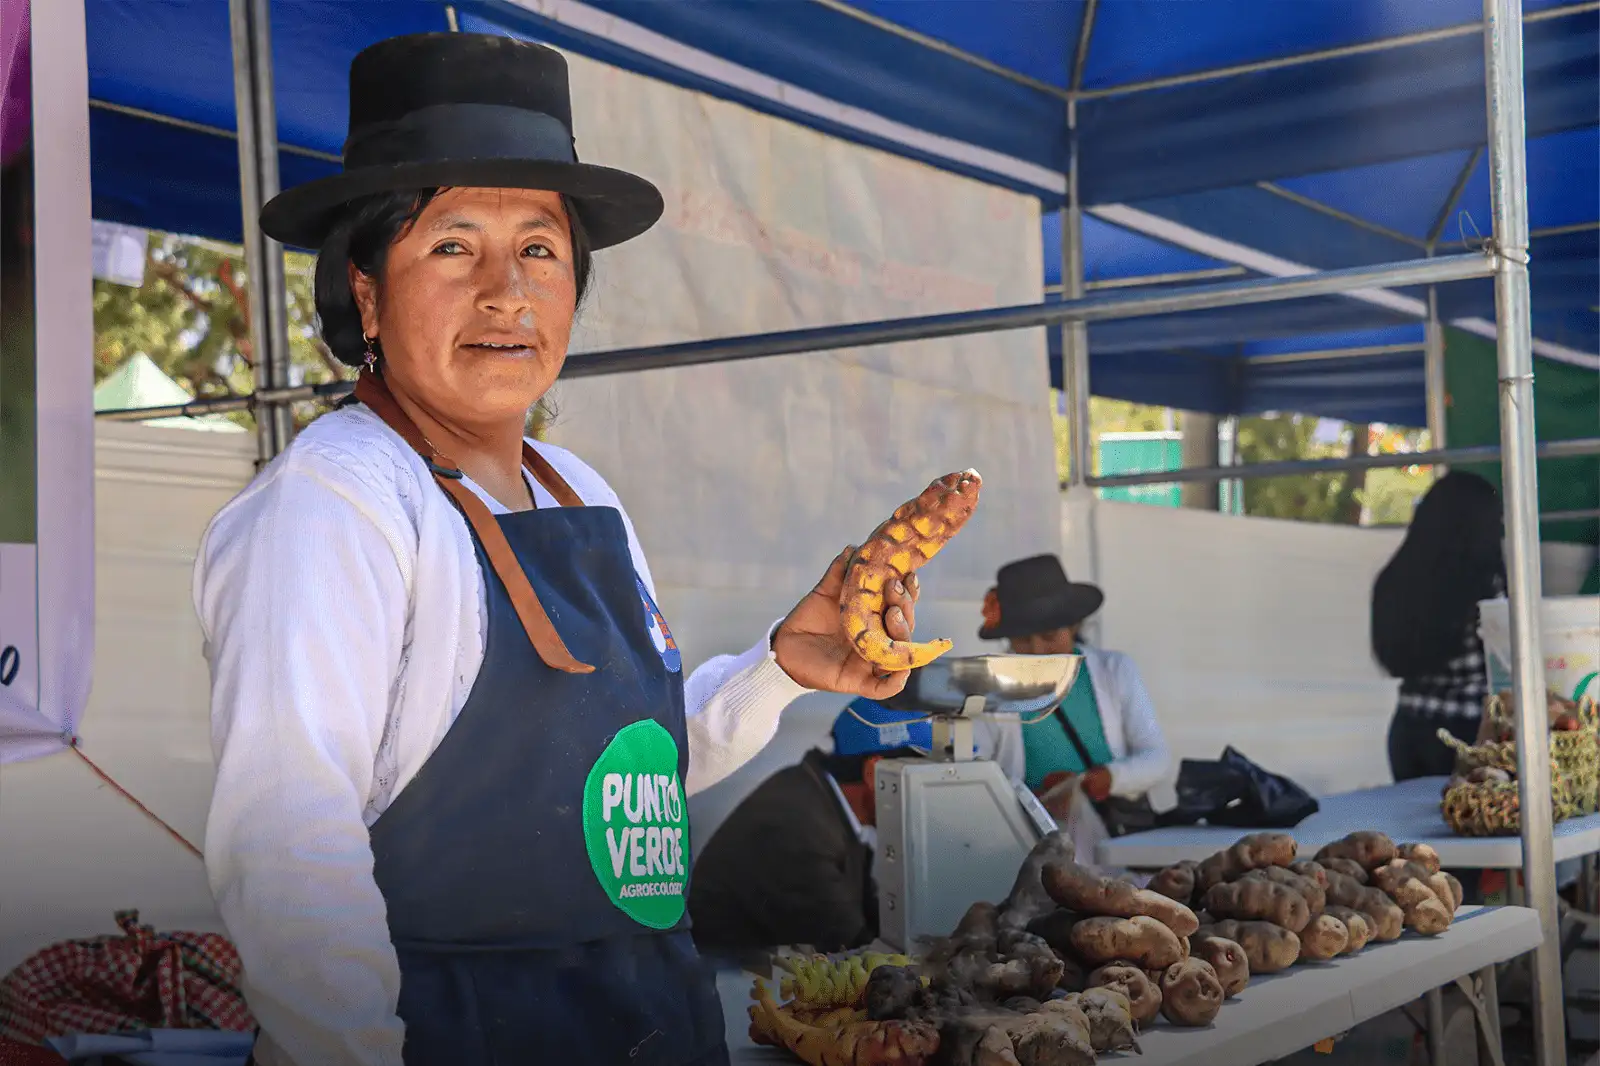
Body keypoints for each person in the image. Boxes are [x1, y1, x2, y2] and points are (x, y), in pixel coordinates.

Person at [193, 34, 929, 1066]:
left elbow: (625, 785)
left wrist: (776, 670)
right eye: (453, 246)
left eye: (537, 249)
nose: (506, 292)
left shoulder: (579, 490)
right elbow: (286, 851)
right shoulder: (335, 504)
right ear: (365, 291)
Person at [687, 698, 931, 959]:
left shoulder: (821, 801)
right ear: (874, 773)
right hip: (729, 986)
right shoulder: (797, 829)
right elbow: (858, 952)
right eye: (921, 777)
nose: (928, 797)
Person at [978, 555, 1172, 818]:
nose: (1037, 651)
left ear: (1074, 626)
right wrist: (1029, 800)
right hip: (1026, 841)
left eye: (1049, 636)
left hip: (1108, 840)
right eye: (1022, 640)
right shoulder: (992, 689)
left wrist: (1108, 778)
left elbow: (1156, 758)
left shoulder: (1114, 670)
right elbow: (977, 775)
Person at [1371, 471, 1506, 781]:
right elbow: (1503, 667)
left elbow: (1391, 658)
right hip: (1467, 730)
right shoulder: (1484, 587)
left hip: (1408, 729)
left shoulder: (1394, 579)